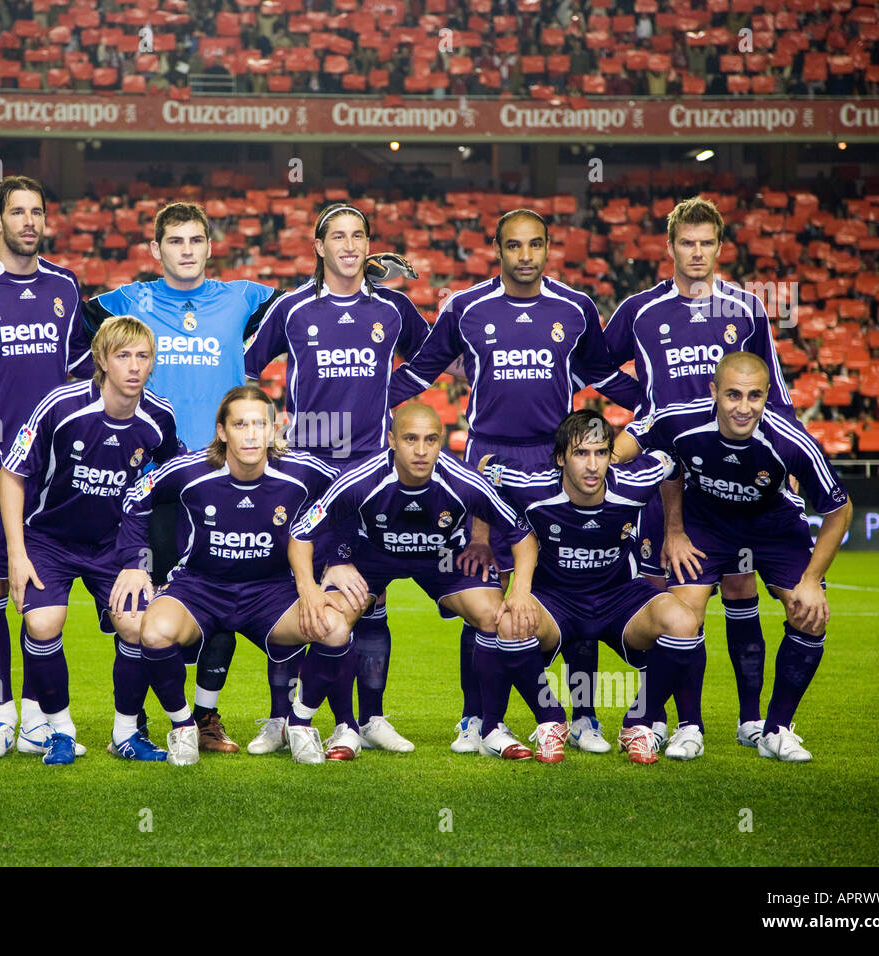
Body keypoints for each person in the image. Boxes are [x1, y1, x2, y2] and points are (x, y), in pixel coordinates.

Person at [386, 208, 640, 756]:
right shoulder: (466, 307)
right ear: (496, 250)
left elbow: (601, 375)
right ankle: (475, 717)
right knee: (484, 591)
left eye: (535, 245)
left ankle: (584, 717)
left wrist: (658, 409)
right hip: (488, 464)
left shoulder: (573, 308)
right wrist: (366, 405)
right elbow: (422, 370)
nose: (525, 255)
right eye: (514, 246)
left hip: (558, 463)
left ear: (549, 248)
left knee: (575, 586)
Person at [79, 202, 279, 753]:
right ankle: (137, 720)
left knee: (223, 597)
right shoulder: (131, 300)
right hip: (155, 480)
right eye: (175, 241)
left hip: (225, 475)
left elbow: (306, 304)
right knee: (145, 606)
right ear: (156, 250)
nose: (187, 250)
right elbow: (69, 313)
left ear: (210, 248)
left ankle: (205, 718)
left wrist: (356, 272)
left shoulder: (243, 296)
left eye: (196, 240)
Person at [602, 196, 795, 750]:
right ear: (669, 248)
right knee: (671, 595)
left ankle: (751, 718)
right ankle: (682, 720)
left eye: (706, 242)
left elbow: (773, 394)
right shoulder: (641, 310)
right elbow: (593, 361)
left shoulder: (747, 308)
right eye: (686, 243)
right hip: (665, 470)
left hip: (733, 472)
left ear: (719, 247)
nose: (696, 252)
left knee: (737, 586)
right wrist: (642, 403)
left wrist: (788, 461)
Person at [243, 202, 429, 757]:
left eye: (359, 236)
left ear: (369, 246)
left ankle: (366, 719)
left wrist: (387, 399)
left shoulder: (393, 308)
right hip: (306, 474)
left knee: (367, 597)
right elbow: (248, 368)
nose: (349, 246)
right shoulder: (292, 308)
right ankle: (281, 719)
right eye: (338, 237)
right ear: (319, 248)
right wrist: (266, 426)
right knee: (294, 595)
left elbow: (431, 357)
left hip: (371, 471)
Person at [289, 403, 569, 762]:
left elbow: (523, 536)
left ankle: (488, 727)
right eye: (410, 439)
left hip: (442, 559)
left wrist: (521, 590)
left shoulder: (463, 480)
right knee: (330, 622)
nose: (421, 451)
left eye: (431, 440)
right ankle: (315, 724)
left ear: (441, 442)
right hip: (373, 556)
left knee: (497, 615)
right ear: (391, 440)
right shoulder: (360, 478)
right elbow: (300, 534)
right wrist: (310, 589)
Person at [615, 352, 853, 762]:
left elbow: (840, 509)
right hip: (706, 522)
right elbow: (666, 464)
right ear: (714, 393)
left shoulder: (790, 441)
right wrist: (674, 530)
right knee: (682, 618)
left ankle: (776, 731)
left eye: (754, 396)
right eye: (733, 395)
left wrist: (812, 580)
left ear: (767, 396)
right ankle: (689, 727)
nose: (744, 407)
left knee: (810, 614)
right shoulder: (679, 420)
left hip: (771, 525)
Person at [114, 385, 346, 765]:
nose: (251, 433)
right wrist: (135, 563)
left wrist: (338, 559)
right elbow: (135, 499)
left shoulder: (303, 471)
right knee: (152, 632)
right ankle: (183, 727)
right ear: (222, 431)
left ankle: (300, 724)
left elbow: (348, 498)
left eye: (259, 424)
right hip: (199, 588)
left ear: (274, 430)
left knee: (335, 627)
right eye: (240, 424)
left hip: (270, 593)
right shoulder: (189, 469)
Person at [0, 175, 90, 758]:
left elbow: (80, 368)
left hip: (53, 471)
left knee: (38, 595)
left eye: (37, 212)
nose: (29, 222)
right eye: (17, 212)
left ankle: (34, 716)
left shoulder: (65, 285)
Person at [0, 315, 181, 764]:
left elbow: (172, 480)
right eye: (123, 356)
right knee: (42, 624)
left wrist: (143, 560)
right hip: (49, 540)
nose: (134, 367)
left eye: (143, 357)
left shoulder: (159, 418)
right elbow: (11, 474)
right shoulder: (61, 406)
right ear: (101, 360)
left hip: (115, 545)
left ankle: (125, 734)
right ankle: (59, 730)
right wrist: (16, 554)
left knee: (137, 627)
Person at [480, 409, 700, 763]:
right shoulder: (531, 485)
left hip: (620, 598)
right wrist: (484, 541)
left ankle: (639, 723)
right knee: (507, 624)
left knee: (685, 622)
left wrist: (674, 529)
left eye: (601, 453)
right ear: (560, 459)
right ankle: (551, 721)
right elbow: (485, 466)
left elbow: (672, 461)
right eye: (581, 453)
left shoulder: (635, 481)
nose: (593, 465)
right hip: (556, 600)